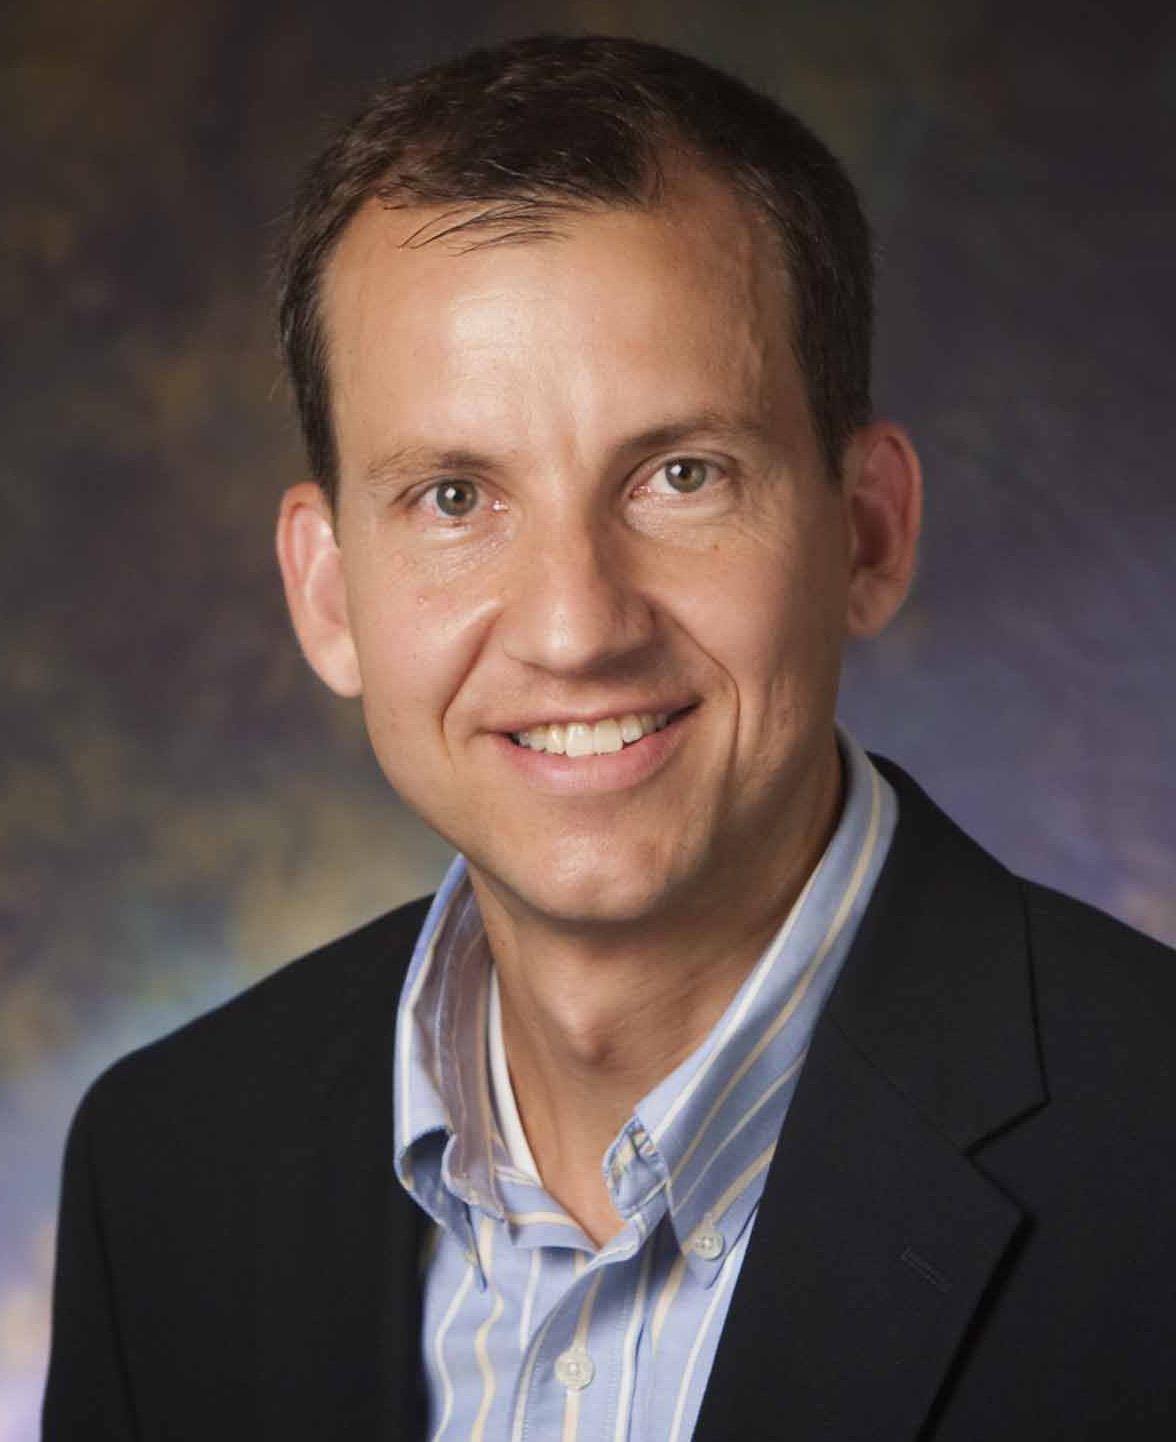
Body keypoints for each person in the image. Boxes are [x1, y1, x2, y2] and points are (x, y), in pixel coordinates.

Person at [43, 33, 1175, 1442]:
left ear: (869, 532)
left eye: (681, 474)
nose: (575, 627)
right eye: (456, 498)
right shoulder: (165, 1174)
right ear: (329, 595)